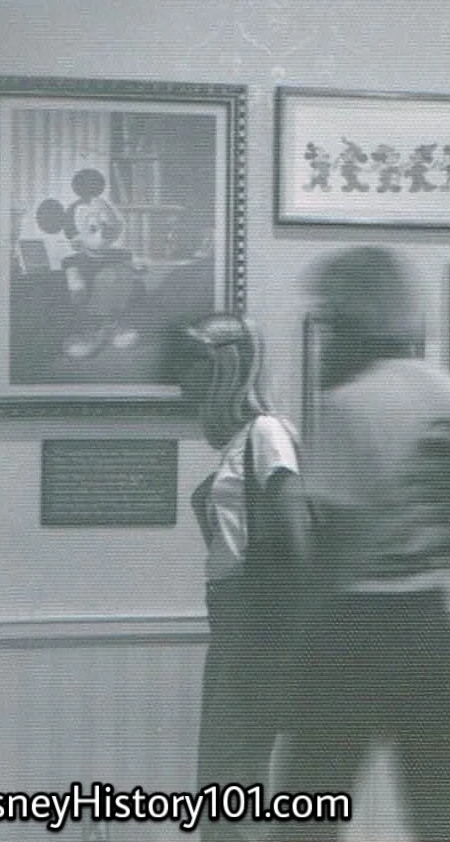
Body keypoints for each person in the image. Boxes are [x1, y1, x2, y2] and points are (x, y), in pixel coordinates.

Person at [273, 247, 450, 842]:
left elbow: (336, 546)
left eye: (331, 316)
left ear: (351, 318)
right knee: (441, 812)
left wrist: (295, 635)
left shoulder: (351, 406)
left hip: (358, 627)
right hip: (434, 622)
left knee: (305, 812)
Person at [180, 313, 308, 842]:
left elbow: (297, 537)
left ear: (227, 367)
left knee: (231, 775)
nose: (185, 378)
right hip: (233, 623)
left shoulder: (267, 433)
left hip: (258, 625)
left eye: (197, 364)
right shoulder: (237, 444)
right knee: (222, 776)